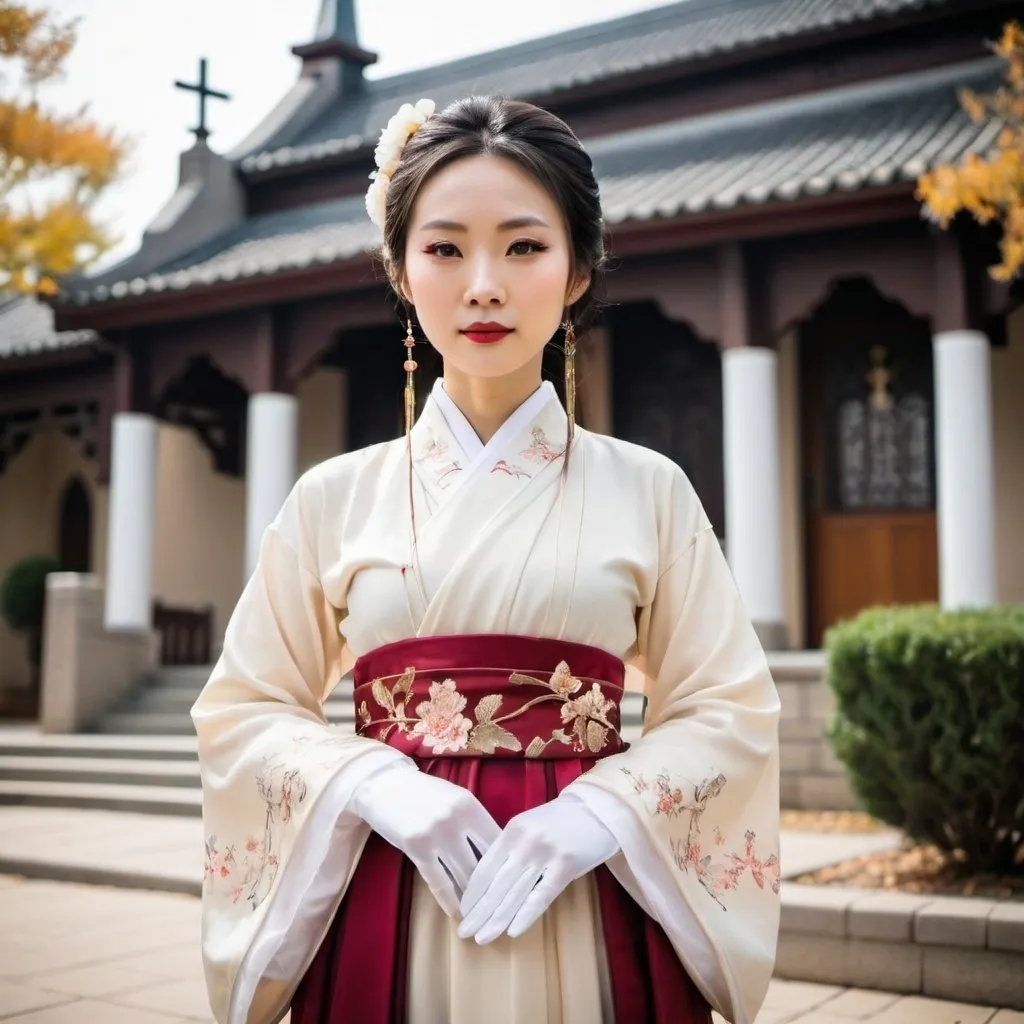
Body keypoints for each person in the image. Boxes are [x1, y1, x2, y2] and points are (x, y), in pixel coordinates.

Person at [192, 95, 781, 1024]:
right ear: (398, 269)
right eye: (443, 248)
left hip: (588, 887)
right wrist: (373, 784)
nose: (483, 286)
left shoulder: (650, 489)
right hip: (391, 884)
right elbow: (245, 708)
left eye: (523, 246)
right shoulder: (331, 498)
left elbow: (728, 705)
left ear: (578, 270)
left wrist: (603, 812)